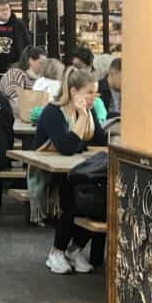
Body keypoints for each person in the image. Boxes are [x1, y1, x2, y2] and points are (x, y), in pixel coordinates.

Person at [35, 66, 108, 274]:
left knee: (99, 198)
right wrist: (83, 117)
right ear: (74, 92)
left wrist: (88, 114)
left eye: (95, 93)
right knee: (75, 197)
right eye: (90, 93)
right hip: (50, 172)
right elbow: (67, 147)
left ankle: (75, 249)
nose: (94, 97)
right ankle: (56, 252)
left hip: (78, 169)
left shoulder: (89, 110)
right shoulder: (53, 112)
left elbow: (100, 141)